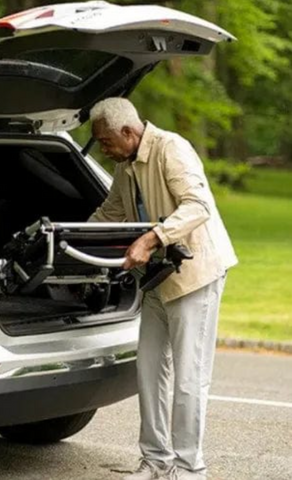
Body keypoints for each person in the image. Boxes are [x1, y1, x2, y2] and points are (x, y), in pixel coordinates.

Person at [88, 98, 238, 480]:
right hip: (155, 279)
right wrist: (66, 240)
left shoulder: (172, 148)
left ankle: (189, 470)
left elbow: (198, 205)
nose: (103, 151)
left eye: (105, 142)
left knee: (189, 378)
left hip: (194, 276)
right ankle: (156, 462)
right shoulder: (126, 166)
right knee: (149, 370)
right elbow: (111, 213)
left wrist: (152, 238)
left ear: (128, 132)